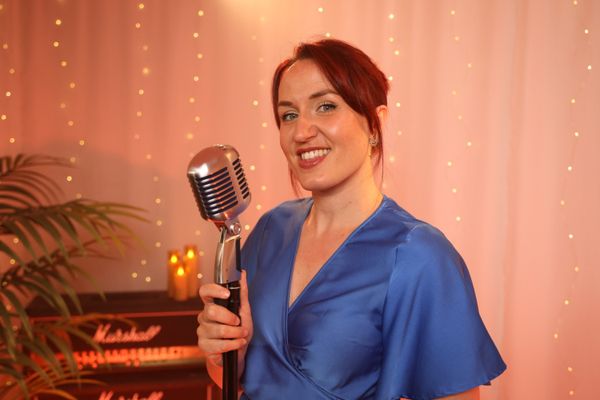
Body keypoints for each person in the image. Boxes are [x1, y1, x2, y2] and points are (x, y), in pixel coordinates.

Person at [197, 38, 506, 400]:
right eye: (289, 115)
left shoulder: (419, 256)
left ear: (375, 124)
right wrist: (225, 353)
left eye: (326, 106)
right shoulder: (270, 230)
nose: (301, 132)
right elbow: (237, 380)